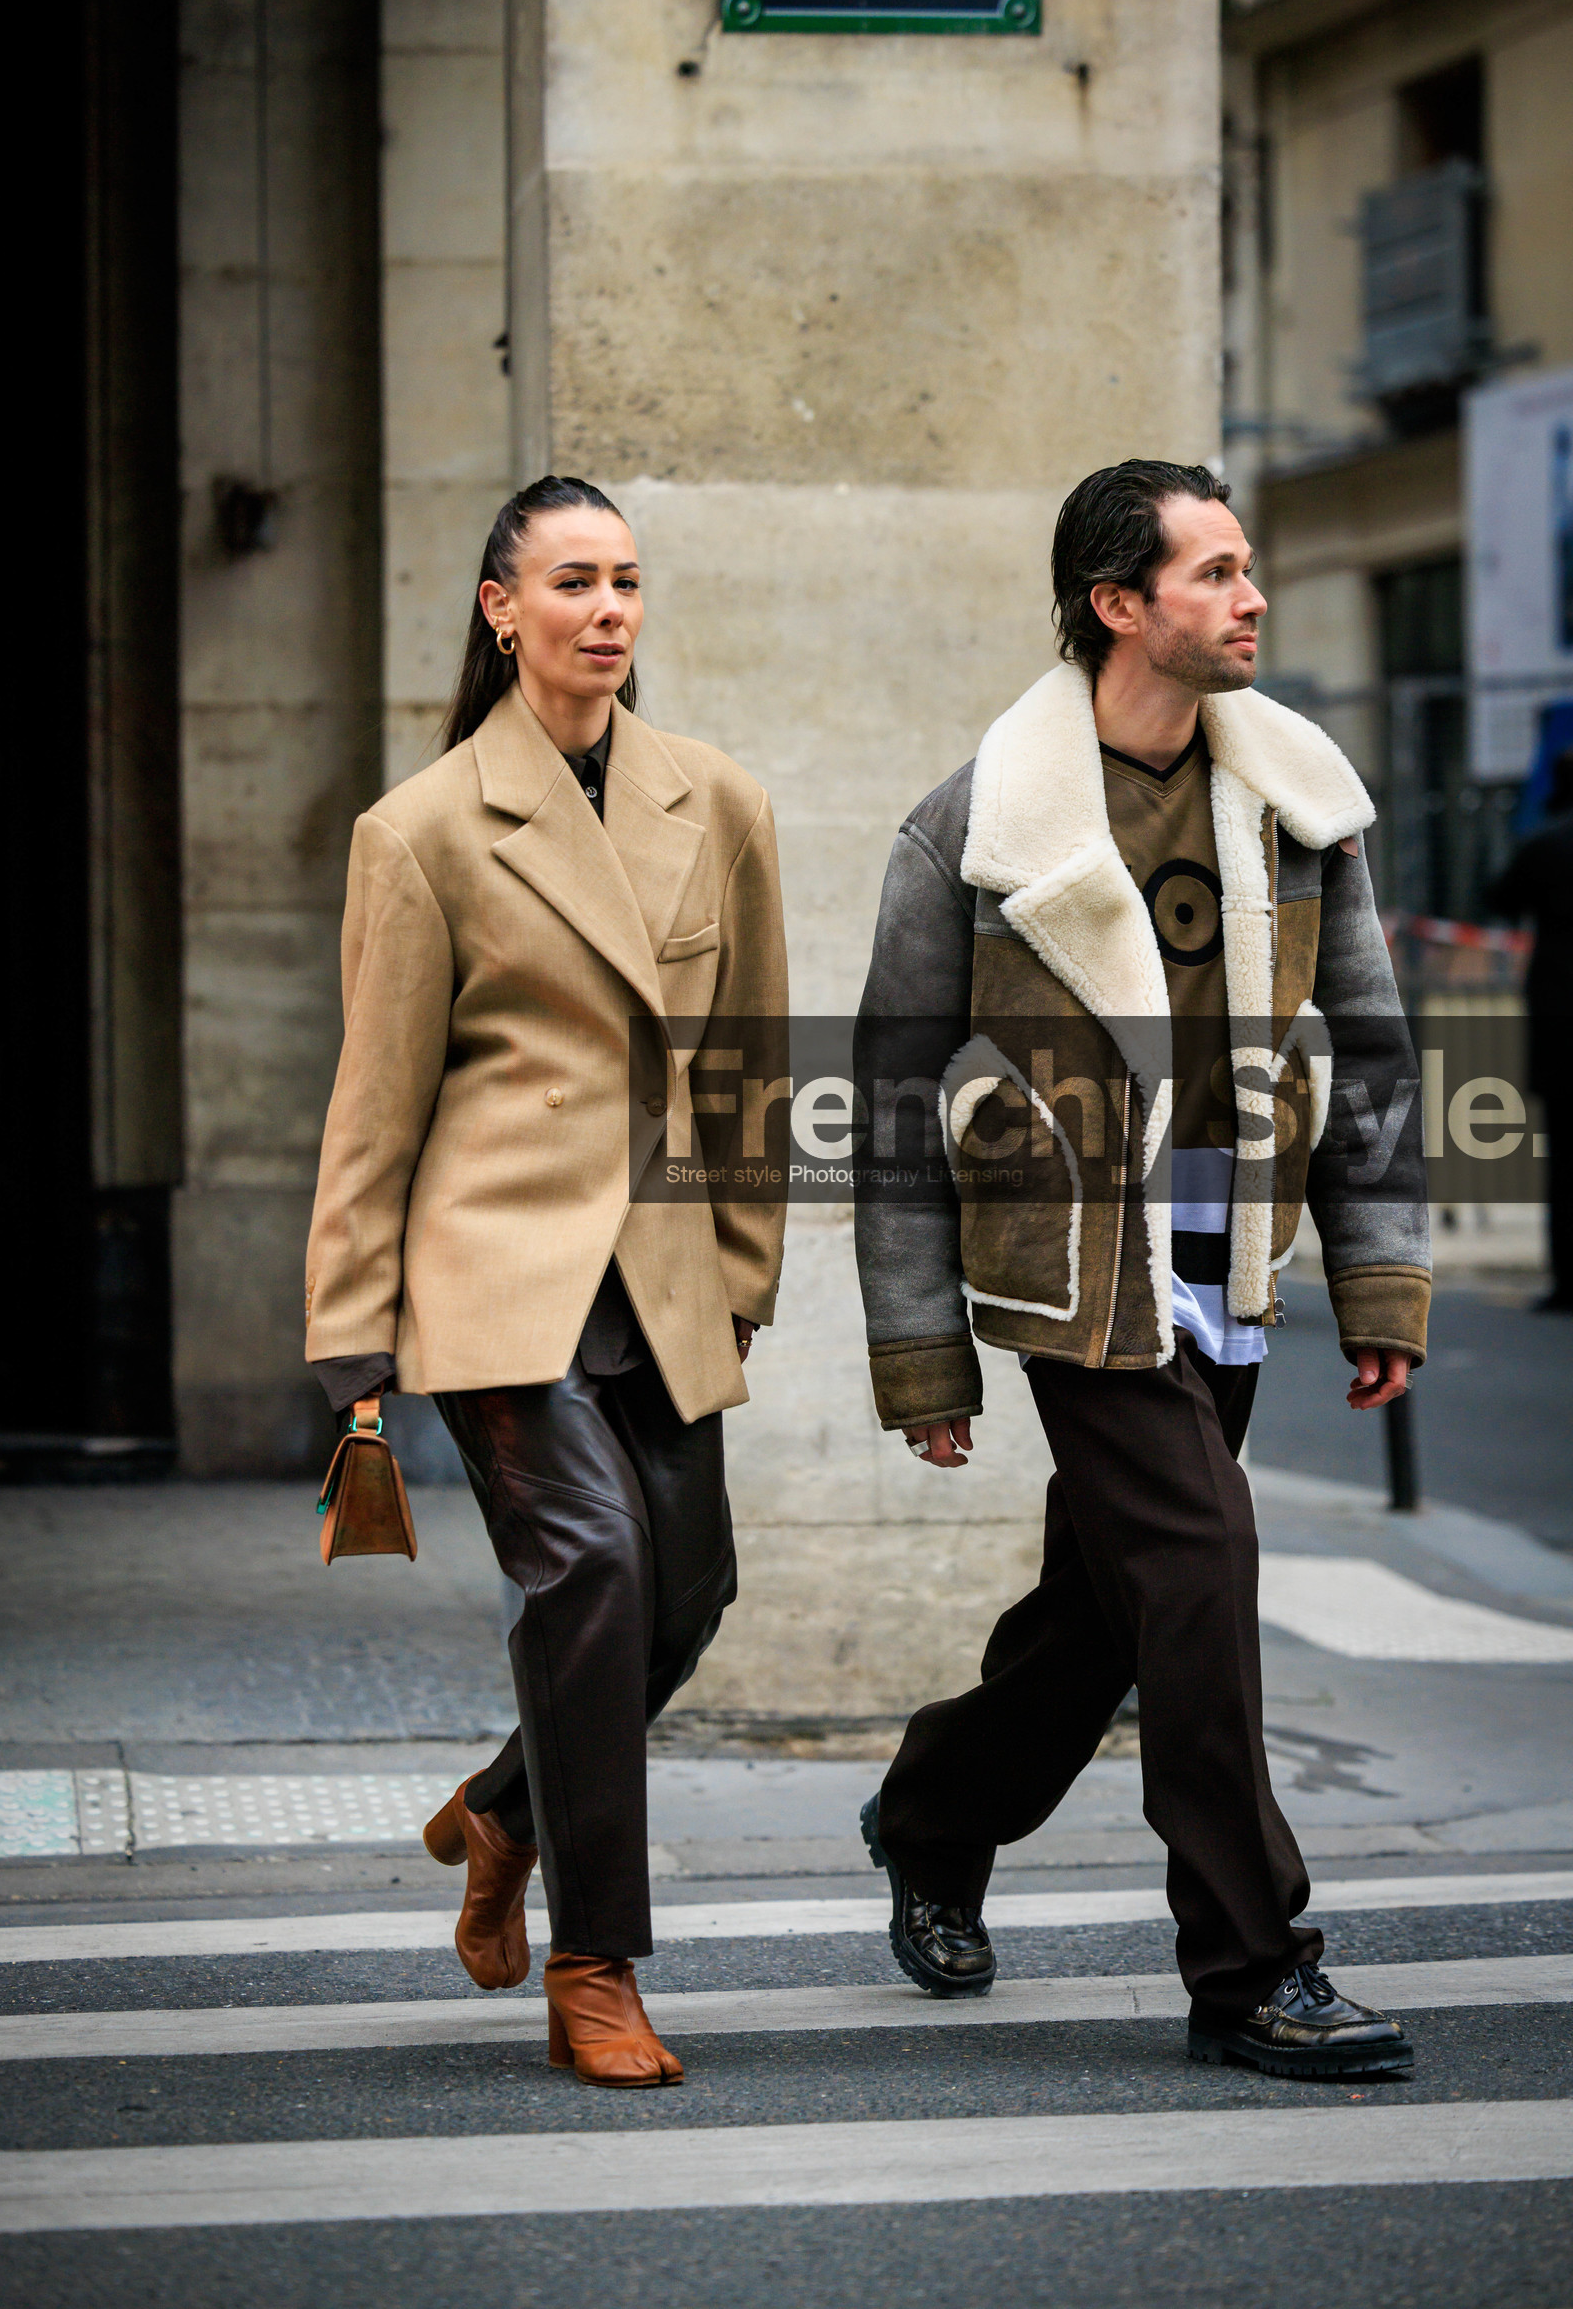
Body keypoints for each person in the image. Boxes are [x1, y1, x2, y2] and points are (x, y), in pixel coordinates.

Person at [852, 460, 1428, 2078]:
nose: (1253, 596)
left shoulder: (1298, 803)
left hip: (1231, 1263)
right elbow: (897, 1103)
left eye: (1249, 569)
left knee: (1108, 1614)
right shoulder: (980, 822)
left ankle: (933, 1808)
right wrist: (923, 1357)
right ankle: (1252, 1963)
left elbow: (1370, 1055)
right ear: (1122, 602)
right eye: (1219, 570)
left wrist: (1381, 1284)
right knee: (1201, 1569)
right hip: (1077, 1279)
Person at [304, 476, 787, 2087]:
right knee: (589, 1572)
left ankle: (502, 1809)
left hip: (662, 1270)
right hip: (498, 1267)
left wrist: (747, 1268)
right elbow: (374, 1101)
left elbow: (749, 1064)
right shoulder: (424, 826)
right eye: (573, 580)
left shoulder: (716, 800)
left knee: (689, 1590)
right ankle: (597, 1966)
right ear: (501, 606)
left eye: (628, 581)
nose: (608, 609)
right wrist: (353, 1338)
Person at [1486, 745, 1573, 1312]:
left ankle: (1569, 1280)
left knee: (1564, 1156)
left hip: (1561, 1018)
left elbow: (1495, 898)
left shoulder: (1546, 846)